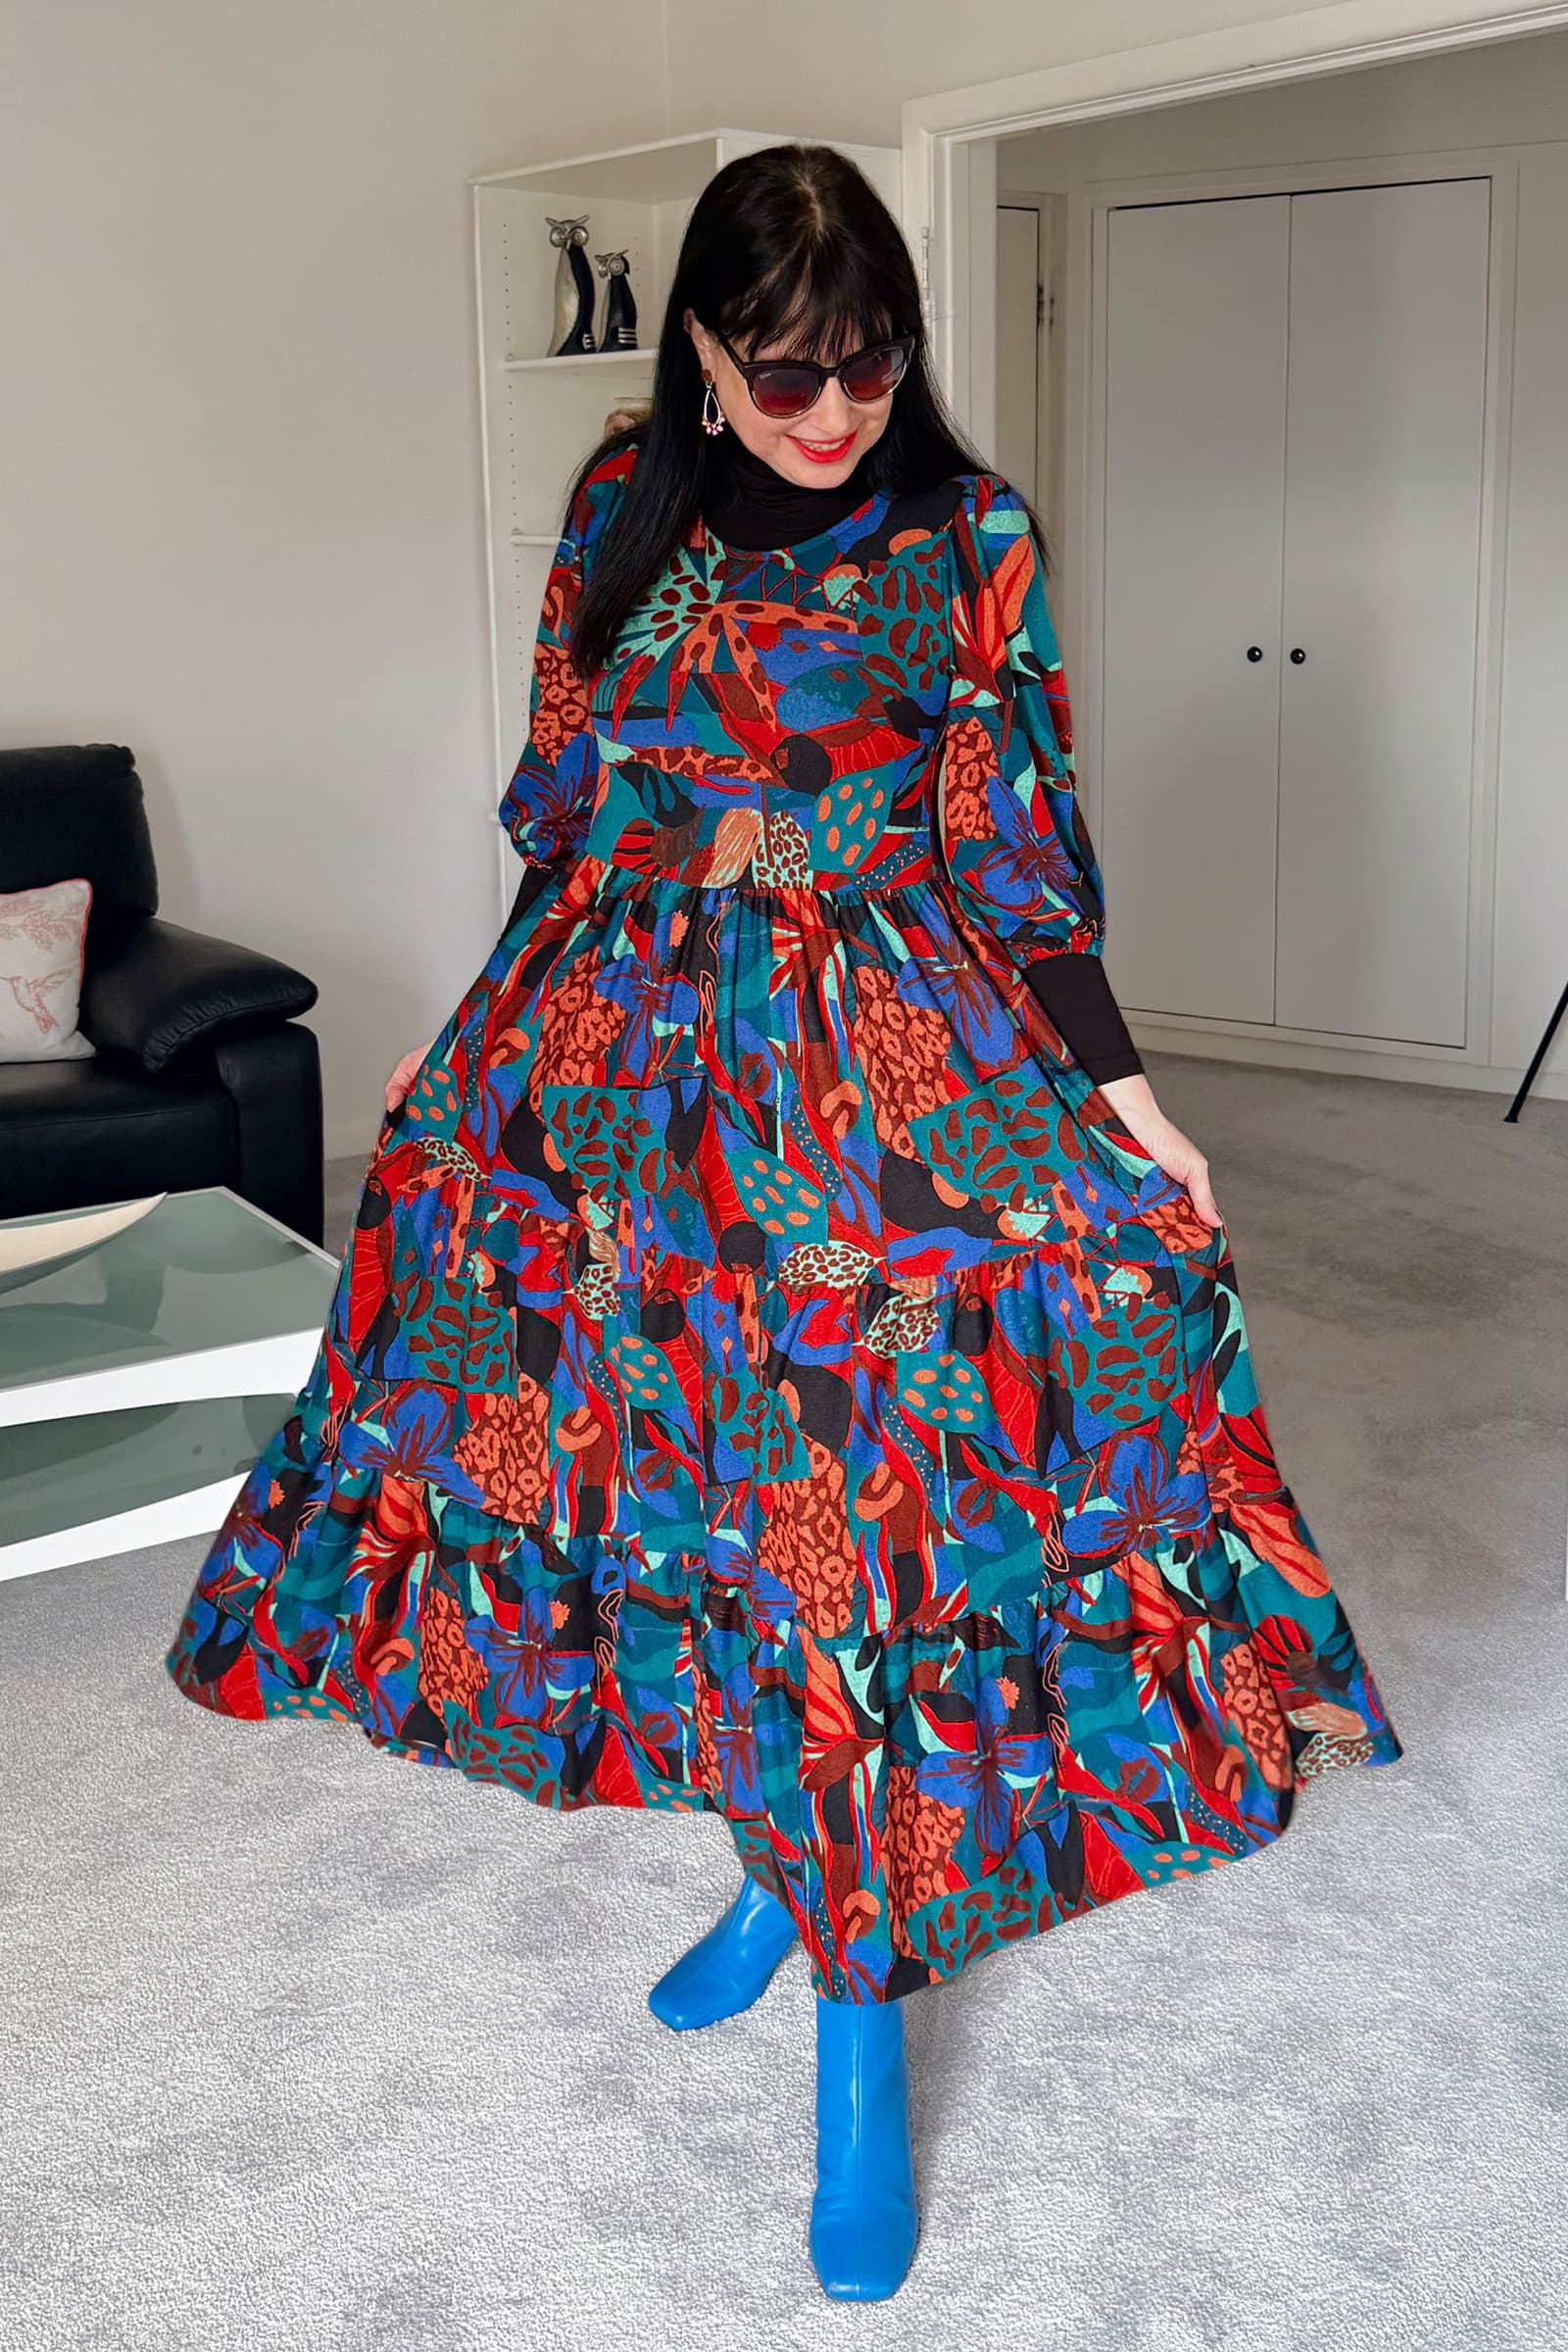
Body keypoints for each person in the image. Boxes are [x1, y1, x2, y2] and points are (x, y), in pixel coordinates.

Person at [165, 143, 1403, 2304]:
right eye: (787, 369)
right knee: (672, 1472)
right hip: (627, 1041)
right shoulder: (615, 507)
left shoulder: (966, 536)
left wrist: (1129, 1104)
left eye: (869, 363)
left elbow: (1016, 850)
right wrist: (473, 1054)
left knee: (874, 1482)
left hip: (875, 1045)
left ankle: (855, 2016)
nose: (834, 410)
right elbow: (570, 817)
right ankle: (770, 1862)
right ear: (703, 353)